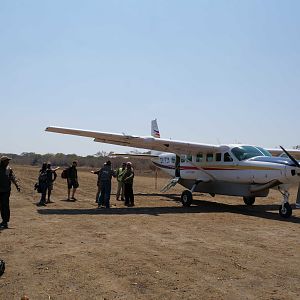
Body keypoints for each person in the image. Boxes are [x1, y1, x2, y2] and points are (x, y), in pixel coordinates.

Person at [0, 156, 20, 229]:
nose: (8, 162)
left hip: (6, 191)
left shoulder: (8, 169)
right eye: (6, 161)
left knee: (5, 206)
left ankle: (5, 222)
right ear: (2, 162)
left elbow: (13, 177)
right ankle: (3, 221)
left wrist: (17, 185)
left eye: (8, 161)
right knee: (2, 206)